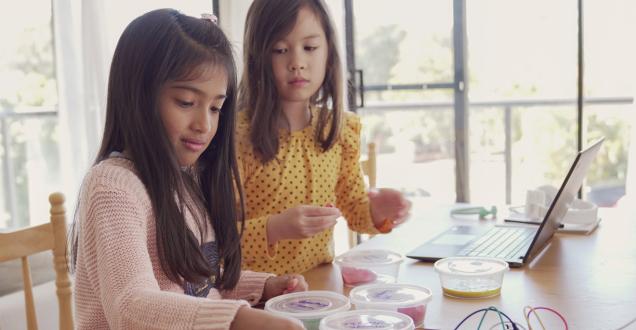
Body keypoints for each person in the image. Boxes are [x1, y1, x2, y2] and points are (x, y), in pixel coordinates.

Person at [70, 9, 306, 329]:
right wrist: (237, 320)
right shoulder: (113, 187)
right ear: (138, 96)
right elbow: (131, 307)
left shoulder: (185, 179)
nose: (204, 125)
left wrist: (260, 287)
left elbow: (196, 286)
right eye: (185, 102)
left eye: (215, 107)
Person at [237, 0, 411, 274]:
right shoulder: (236, 136)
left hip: (319, 292)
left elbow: (354, 210)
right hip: (253, 301)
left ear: (329, 53)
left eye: (310, 48)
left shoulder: (340, 130)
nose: (296, 63)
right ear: (258, 57)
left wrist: (378, 212)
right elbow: (211, 241)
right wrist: (274, 228)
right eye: (280, 50)